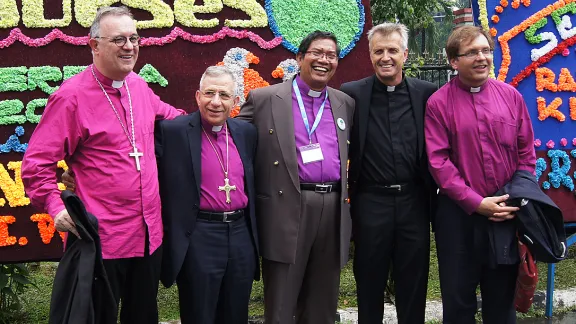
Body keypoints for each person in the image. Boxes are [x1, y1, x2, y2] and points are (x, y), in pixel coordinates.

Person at [21, 6, 184, 323]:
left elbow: (175, 121)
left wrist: (217, 118)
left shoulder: (138, 85)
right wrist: (56, 207)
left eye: (134, 38)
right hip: (102, 241)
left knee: (143, 316)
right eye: (119, 39)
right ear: (94, 45)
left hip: (149, 235)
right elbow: (36, 164)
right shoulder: (71, 98)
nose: (129, 46)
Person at [236, 31, 355, 324]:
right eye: (317, 53)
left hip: (333, 207)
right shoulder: (265, 99)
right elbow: (234, 140)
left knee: (323, 302)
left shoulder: (344, 103)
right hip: (286, 206)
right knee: (282, 303)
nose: (324, 60)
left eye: (331, 55)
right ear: (300, 57)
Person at [425, 25, 535, 324]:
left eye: (486, 50)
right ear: (453, 61)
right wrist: (476, 202)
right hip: (459, 217)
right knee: (458, 301)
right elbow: (439, 163)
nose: (481, 58)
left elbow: (526, 154)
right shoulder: (438, 103)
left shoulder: (511, 97)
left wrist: (515, 197)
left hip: (505, 213)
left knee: (501, 302)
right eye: (472, 52)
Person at [340, 22, 437, 324]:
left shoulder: (427, 93)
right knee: (369, 280)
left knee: (414, 280)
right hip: (371, 201)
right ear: (370, 55)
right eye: (378, 51)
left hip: (413, 202)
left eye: (392, 50)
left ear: (405, 54)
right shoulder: (352, 94)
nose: (386, 57)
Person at [155, 66, 259, 324]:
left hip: (240, 233)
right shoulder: (173, 131)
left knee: (236, 313)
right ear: (197, 96)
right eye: (209, 93)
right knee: (199, 313)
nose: (215, 102)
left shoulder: (246, 133)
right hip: (199, 234)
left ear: (235, 102)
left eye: (223, 95)